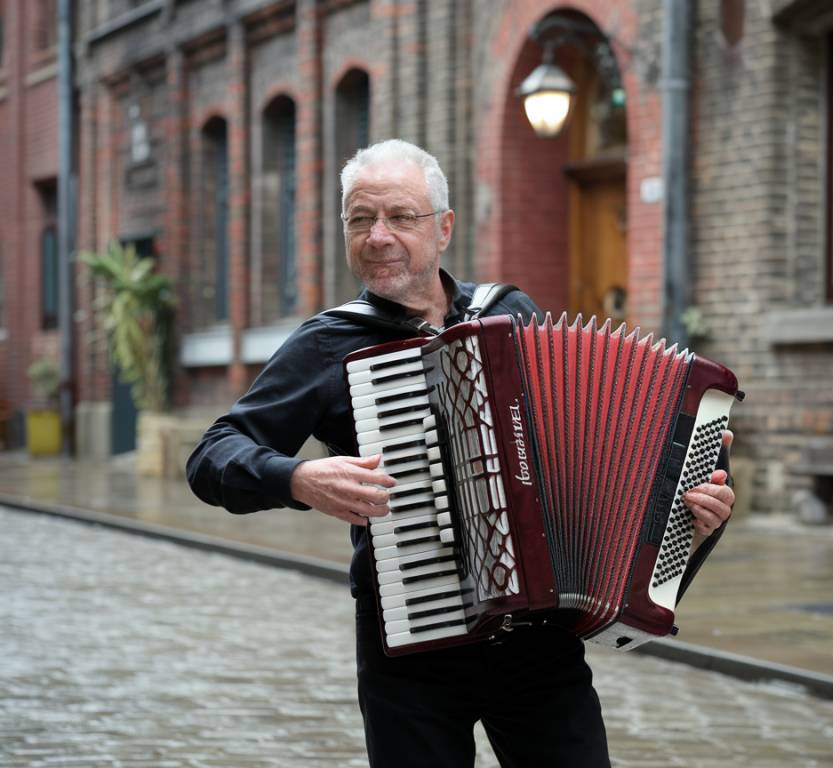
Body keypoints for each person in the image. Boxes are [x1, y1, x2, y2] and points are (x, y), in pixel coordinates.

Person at [186, 139, 736, 767]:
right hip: (413, 652)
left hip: (539, 645)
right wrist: (298, 476)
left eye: (401, 216)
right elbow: (211, 457)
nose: (378, 236)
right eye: (360, 219)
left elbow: (603, 474)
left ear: (443, 228)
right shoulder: (327, 343)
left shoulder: (510, 314)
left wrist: (692, 509)